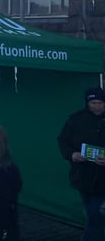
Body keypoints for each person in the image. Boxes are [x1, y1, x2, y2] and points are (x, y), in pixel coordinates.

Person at [58, 87, 105, 240]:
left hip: (103, 180)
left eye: (100, 103)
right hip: (82, 177)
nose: (97, 106)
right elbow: (63, 141)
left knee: (94, 215)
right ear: (87, 103)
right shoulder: (75, 120)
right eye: (93, 103)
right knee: (93, 214)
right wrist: (72, 155)